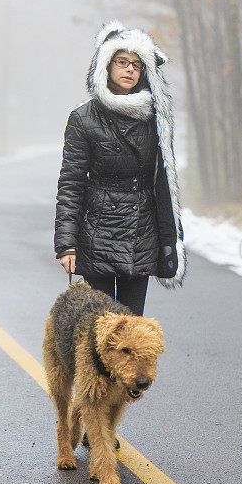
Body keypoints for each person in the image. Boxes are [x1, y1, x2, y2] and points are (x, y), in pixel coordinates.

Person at [53, 20, 187, 318]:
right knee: (98, 331)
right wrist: (66, 245)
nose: (129, 69)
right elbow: (71, 184)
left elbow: (164, 183)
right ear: (106, 65)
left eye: (137, 65)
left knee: (130, 332)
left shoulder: (155, 118)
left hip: (141, 234)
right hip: (96, 234)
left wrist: (170, 240)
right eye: (122, 61)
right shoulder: (84, 119)